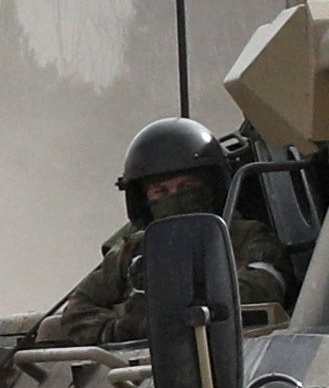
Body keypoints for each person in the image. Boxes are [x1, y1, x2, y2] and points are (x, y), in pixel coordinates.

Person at [30, 117, 295, 347]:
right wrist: (122, 328)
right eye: (161, 191)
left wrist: (169, 300)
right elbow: (79, 309)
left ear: (213, 187)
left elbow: (264, 287)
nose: (175, 197)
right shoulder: (132, 251)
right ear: (144, 200)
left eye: (186, 186)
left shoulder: (248, 237)